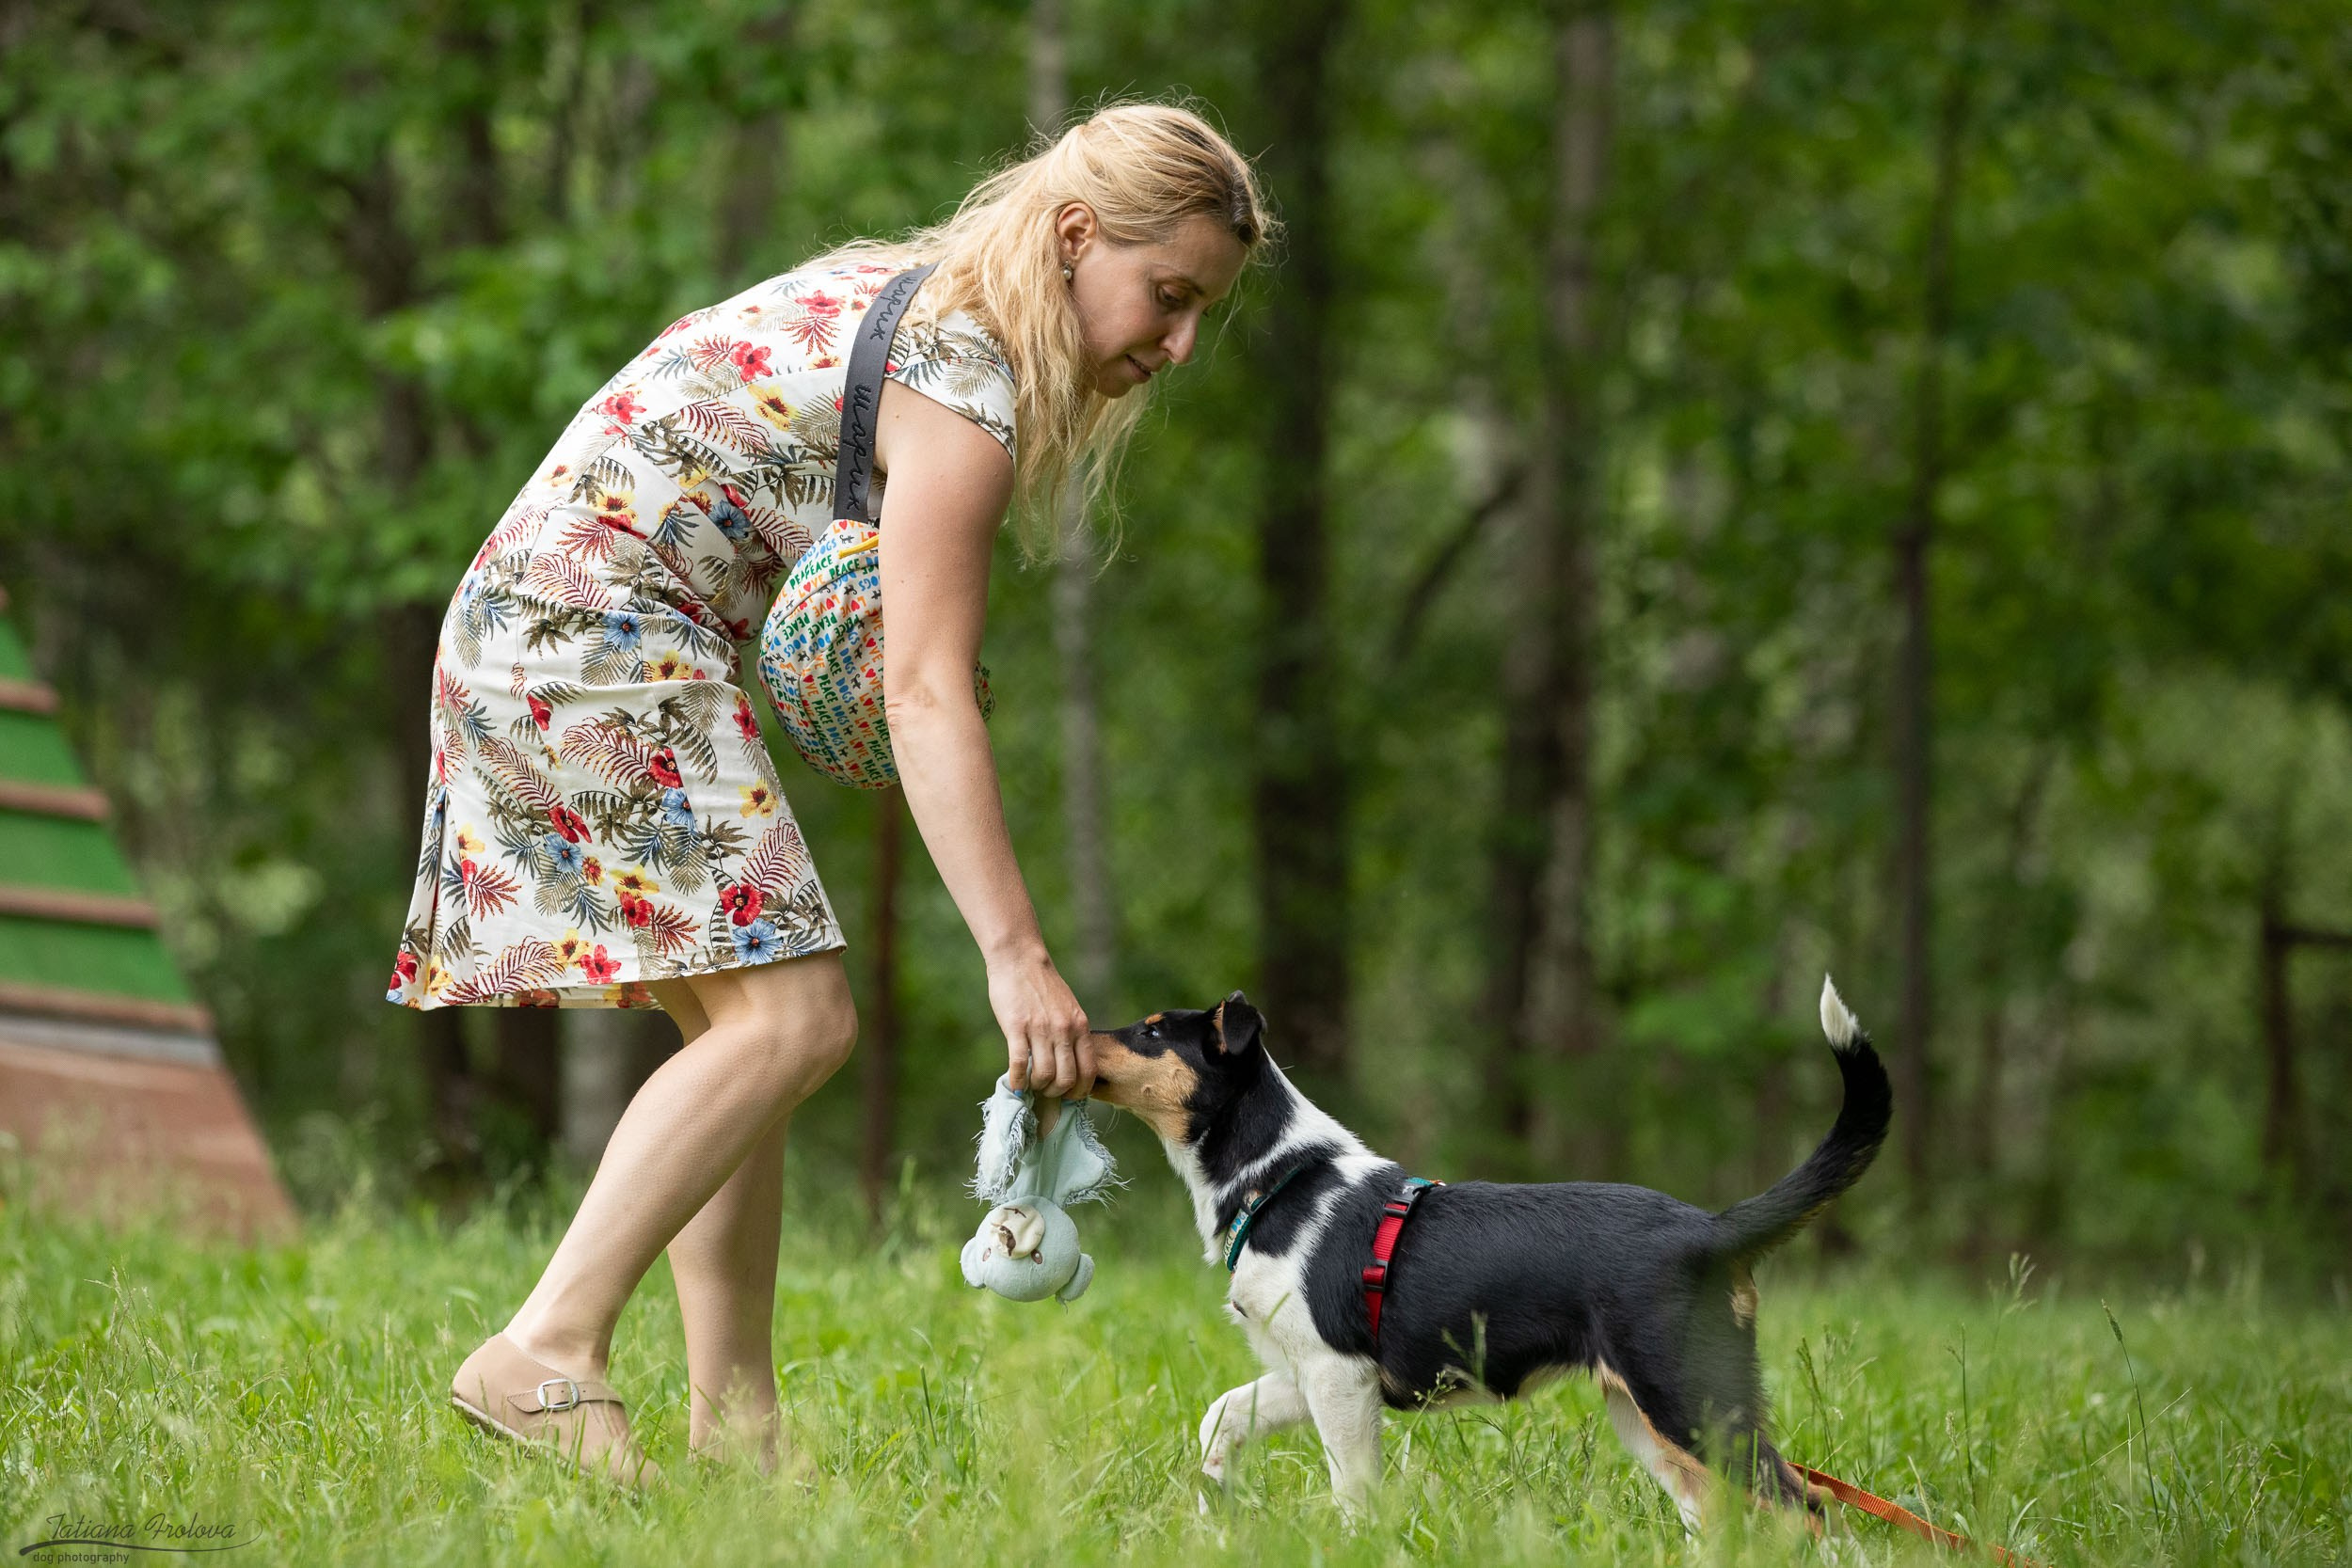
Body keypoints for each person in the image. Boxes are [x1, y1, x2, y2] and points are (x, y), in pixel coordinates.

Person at [398, 102, 1269, 1487]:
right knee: (797, 1020)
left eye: (1200, 314)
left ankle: (740, 1432)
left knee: (742, 1029)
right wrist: (1017, 958)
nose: (1177, 346)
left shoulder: (909, 292)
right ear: (1075, 235)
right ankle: (544, 1351)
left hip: (544, 618)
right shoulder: (966, 381)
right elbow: (923, 690)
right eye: (1167, 296)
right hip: (594, 636)